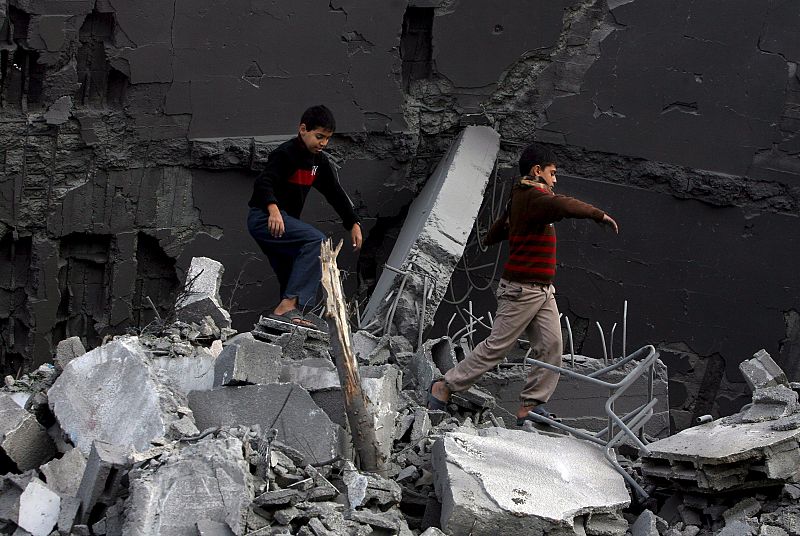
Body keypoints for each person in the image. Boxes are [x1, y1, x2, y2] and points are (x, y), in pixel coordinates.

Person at [428, 143, 619, 425]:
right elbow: (562, 204)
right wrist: (597, 214)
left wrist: (498, 234)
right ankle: (444, 386)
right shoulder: (534, 197)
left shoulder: (522, 199)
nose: (555, 180)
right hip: (521, 290)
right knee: (497, 347)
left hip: (543, 291)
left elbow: (501, 227)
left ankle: (530, 406)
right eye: (552, 173)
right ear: (537, 171)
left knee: (553, 345)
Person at [247, 105, 362, 328]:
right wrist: (273, 209)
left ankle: (286, 317)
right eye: (319, 136)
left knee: (292, 268)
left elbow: (335, 193)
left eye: (327, 139)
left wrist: (353, 223)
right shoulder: (286, 153)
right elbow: (264, 182)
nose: (323, 143)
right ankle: (286, 308)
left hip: (283, 221)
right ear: (303, 129)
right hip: (264, 217)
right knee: (316, 241)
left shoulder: (318, 162)